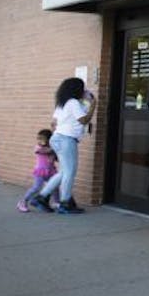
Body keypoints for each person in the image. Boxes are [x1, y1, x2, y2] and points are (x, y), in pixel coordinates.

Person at [28, 77, 94, 215]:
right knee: (70, 172)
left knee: (64, 172)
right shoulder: (73, 103)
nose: (84, 90)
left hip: (58, 138)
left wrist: (57, 140)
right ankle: (65, 203)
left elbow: (53, 124)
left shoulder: (62, 103)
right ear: (76, 89)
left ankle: (41, 198)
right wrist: (93, 104)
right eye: (82, 88)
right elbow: (84, 120)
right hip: (67, 140)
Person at [17, 129, 59, 213]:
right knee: (36, 188)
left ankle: (56, 202)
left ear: (49, 139)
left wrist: (55, 153)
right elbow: (44, 151)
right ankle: (23, 202)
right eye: (38, 138)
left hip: (51, 171)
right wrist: (56, 148)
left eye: (42, 139)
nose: (40, 141)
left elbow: (56, 159)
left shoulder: (52, 148)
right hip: (40, 171)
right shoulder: (38, 147)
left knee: (55, 187)